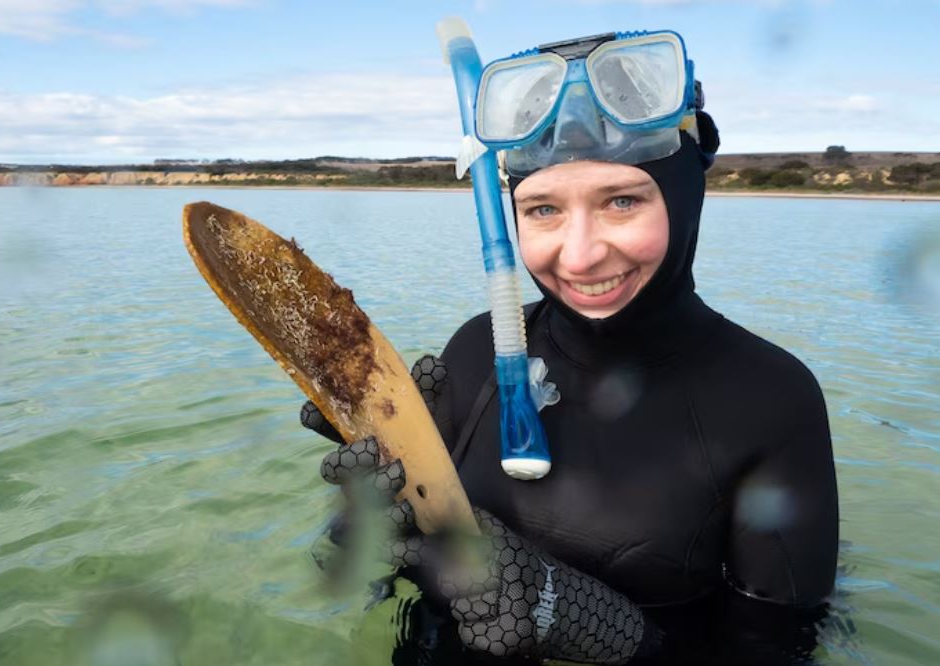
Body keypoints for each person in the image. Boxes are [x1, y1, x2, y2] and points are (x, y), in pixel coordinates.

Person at [302, 28, 839, 665]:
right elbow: (399, 572)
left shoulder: (769, 399)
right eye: (543, 211)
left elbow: (782, 650)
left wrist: (611, 633)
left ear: (687, 190)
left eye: (621, 200)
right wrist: (369, 524)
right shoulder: (478, 348)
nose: (580, 256)